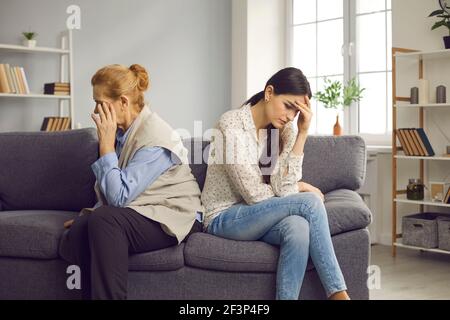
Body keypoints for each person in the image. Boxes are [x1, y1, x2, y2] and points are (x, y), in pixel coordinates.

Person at [201, 67, 350, 300]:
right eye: (289, 106)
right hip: (224, 217)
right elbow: (252, 194)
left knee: (298, 228)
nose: (291, 116)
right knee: (309, 204)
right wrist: (300, 187)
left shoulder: (280, 130)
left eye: (296, 111)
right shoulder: (231, 124)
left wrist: (302, 132)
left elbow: (282, 187)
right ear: (269, 92)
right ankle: (339, 294)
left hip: (257, 216)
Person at [60, 64, 203, 300]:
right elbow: (114, 190)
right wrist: (87, 216)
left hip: (174, 214)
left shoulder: (155, 137)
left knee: (105, 220)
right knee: (80, 231)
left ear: (123, 102)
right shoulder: (121, 133)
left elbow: (118, 198)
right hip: (144, 208)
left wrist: (105, 147)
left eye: (100, 102)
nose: (95, 110)